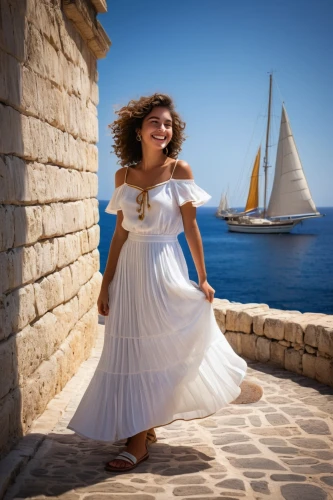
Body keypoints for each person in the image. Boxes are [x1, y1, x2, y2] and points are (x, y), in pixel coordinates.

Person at [67, 93, 247, 473]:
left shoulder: (179, 170)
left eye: (167, 123)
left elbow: (191, 226)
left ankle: (138, 438)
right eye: (154, 122)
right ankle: (142, 428)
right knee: (129, 352)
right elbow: (118, 235)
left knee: (157, 350)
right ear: (138, 129)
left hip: (164, 266)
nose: (162, 128)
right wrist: (105, 284)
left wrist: (202, 277)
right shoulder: (123, 176)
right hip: (130, 271)